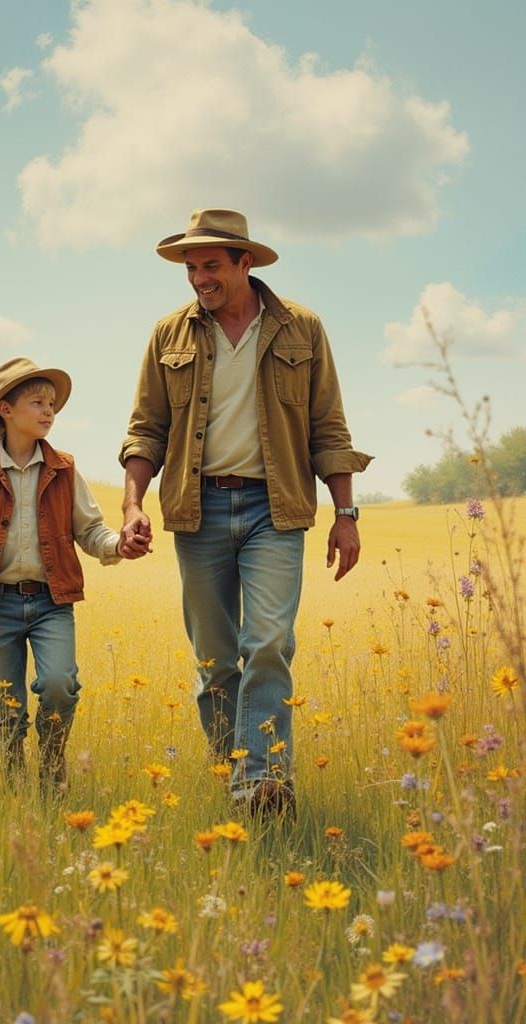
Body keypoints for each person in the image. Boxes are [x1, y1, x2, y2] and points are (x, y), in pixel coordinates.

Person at [119, 209, 372, 818]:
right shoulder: (168, 334)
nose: (199, 278)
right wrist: (131, 503)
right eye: (190, 267)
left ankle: (262, 788)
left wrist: (346, 513)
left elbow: (328, 426)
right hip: (197, 508)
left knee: (268, 642)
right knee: (214, 657)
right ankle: (233, 771)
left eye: (210, 265)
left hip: (273, 508)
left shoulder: (300, 328)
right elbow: (146, 429)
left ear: (244, 262)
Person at [0, 357, 142, 792]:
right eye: (37, 402)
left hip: (51, 603)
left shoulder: (64, 469)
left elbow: (90, 529)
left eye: (52, 404)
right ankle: (10, 788)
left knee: (60, 685)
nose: (49, 411)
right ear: (5, 410)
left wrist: (118, 544)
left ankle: (51, 765)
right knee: (5, 705)